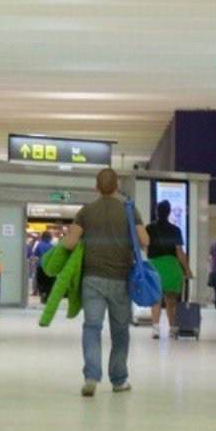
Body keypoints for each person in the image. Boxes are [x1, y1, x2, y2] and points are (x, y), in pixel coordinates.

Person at [60, 168, 146, 396]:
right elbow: (144, 240)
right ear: (117, 186)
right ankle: (118, 380)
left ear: (95, 186)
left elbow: (69, 244)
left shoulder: (86, 211)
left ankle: (91, 377)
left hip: (92, 279)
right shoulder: (129, 209)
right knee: (120, 331)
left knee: (92, 328)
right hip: (120, 279)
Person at [145, 200, 193, 338]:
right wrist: (187, 270)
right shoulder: (175, 230)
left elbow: (144, 246)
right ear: (169, 212)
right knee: (171, 301)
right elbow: (179, 252)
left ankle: (155, 329)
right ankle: (172, 328)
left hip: (154, 267)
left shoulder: (149, 229)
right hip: (172, 267)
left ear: (156, 212)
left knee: (155, 299)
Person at [32, 229, 57, 300]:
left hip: (40, 265)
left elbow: (35, 254)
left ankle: (42, 292)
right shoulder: (52, 246)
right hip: (49, 266)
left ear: (42, 237)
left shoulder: (39, 244)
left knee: (40, 281)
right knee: (48, 281)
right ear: (50, 238)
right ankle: (47, 294)